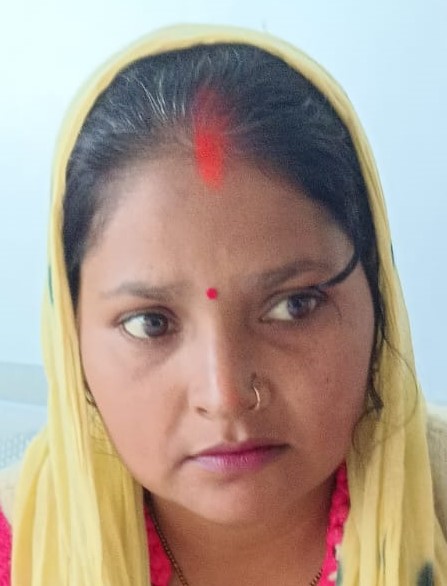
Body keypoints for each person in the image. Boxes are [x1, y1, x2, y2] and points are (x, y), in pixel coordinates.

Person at [0, 23, 446, 586]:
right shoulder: (21, 550)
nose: (225, 396)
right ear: (71, 336)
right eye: (150, 323)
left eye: (294, 306)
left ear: (379, 297)